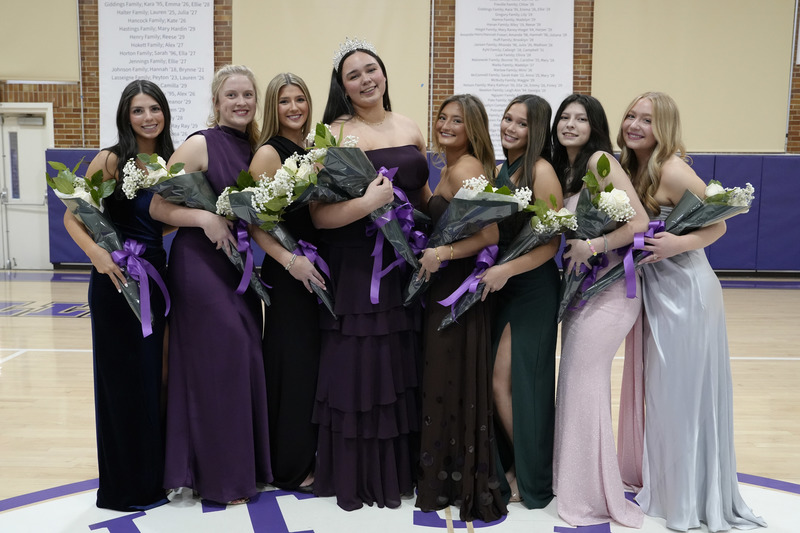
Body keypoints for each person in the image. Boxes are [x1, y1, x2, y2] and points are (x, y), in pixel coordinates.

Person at [618, 91, 766, 532]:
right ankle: (667, 486)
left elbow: (721, 219)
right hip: (658, 291)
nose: (634, 125)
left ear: (663, 127)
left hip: (687, 293)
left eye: (646, 119)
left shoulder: (673, 169)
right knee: (664, 396)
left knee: (682, 396)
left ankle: (688, 497)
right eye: (630, 116)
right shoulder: (630, 168)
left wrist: (678, 243)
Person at [310, 38, 429, 511]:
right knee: (359, 364)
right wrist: (367, 204)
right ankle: (357, 474)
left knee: (397, 361)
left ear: (384, 73)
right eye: (353, 75)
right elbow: (320, 216)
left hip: (404, 264)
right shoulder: (334, 134)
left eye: (371, 69)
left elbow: (421, 198)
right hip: (358, 265)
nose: (365, 79)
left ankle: (396, 471)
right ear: (342, 87)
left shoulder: (411, 127)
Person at [150, 64, 271, 505]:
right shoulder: (201, 144)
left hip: (238, 265)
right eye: (232, 95)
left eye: (248, 96)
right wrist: (203, 218)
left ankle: (240, 467)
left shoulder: (259, 148)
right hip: (200, 264)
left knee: (245, 355)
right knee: (223, 359)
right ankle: (221, 479)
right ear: (216, 102)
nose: (241, 103)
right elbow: (159, 207)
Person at [62, 80, 173, 511]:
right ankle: (123, 488)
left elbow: (157, 222)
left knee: (153, 380)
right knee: (120, 384)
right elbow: (75, 216)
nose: (148, 117)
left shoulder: (167, 162)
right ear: (126, 117)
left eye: (154, 109)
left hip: (156, 278)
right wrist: (97, 255)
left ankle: (153, 478)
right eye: (138, 110)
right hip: (114, 281)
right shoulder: (110, 159)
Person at [550, 93, 649, 527]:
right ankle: (572, 481)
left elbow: (640, 223)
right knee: (574, 381)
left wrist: (593, 244)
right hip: (580, 290)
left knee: (583, 380)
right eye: (564, 117)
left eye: (581, 118)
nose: (571, 124)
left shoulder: (599, 162)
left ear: (595, 126)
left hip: (611, 289)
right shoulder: (565, 171)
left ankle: (592, 494)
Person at [414, 94, 507, 523]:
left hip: (456, 287)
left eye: (457, 121)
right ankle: (446, 473)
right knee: (443, 376)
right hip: (445, 283)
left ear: (473, 129)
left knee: (447, 378)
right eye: (442, 117)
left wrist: (443, 254)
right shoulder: (451, 166)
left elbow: (489, 235)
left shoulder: (467, 167)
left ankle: (452, 480)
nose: (446, 125)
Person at [476, 95, 562, 509]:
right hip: (502, 284)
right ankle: (514, 466)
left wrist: (506, 270)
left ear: (537, 131)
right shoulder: (498, 169)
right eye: (507, 119)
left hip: (531, 289)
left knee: (509, 384)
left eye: (521, 123)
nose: (510, 127)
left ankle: (533, 473)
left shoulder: (541, 171)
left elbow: (550, 244)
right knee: (501, 383)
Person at [249, 72, 324, 492]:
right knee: (291, 368)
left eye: (300, 99)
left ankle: (308, 454)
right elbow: (257, 223)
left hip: (319, 269)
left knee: (311, 369)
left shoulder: (313, 149)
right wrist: (289, 259)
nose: (294, 108)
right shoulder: (268, 154)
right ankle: (290, 468)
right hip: (289, 270)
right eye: (284, 101)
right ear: (272, 109)